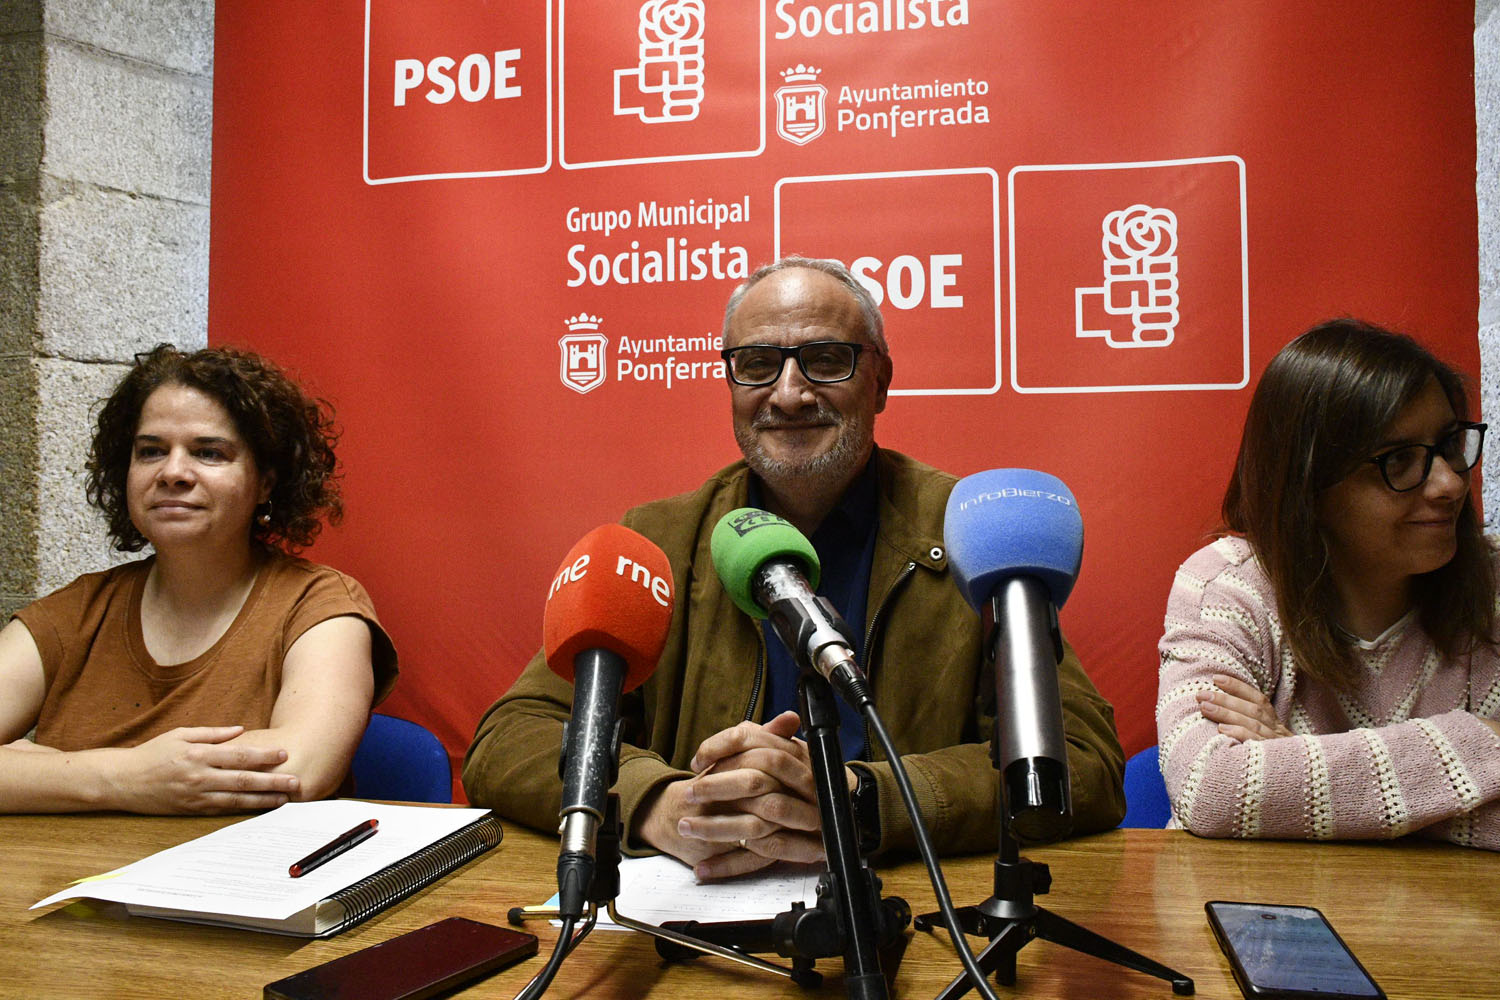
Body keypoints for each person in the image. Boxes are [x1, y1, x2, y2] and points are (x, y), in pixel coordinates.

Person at [465, 256, 1125, 879]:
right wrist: (654, 802)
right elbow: (510, 737)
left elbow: (1083, 764)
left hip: (911, 907)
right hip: (700, 910)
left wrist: (865, 798)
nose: (788, 393)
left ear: (882, 381)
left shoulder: (970, 533)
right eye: (756, 364)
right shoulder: (657, 542)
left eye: (825, 360)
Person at [0, 344, 398, 814]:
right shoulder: (75, 611)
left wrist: (46, 771)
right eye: (151, 451)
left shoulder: (318, 604)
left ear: (266, 482)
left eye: (208, 453)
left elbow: (299, 771)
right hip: (64, 883)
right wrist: (124, 778)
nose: (172, 473)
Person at [1158, 319, 1500, 850]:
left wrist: (1298, 769)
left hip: (1454, 925)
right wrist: (1488, 747)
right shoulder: (1225, 588)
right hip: (1260, 915)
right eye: (1400, 461)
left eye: (1450, 444)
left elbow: (1247, 797)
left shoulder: (1495, 585)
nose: (1451, 483)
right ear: (1309, 484)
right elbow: (1213, 789)